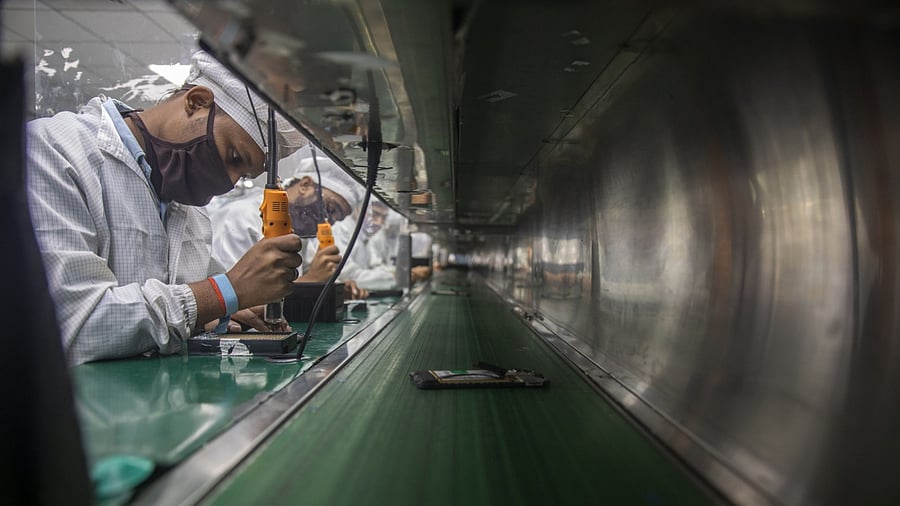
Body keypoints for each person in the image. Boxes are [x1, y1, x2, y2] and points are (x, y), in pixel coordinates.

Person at [26, 51, 306, 365]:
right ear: (197, 102)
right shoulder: (54, 151)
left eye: (243, 175)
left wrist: (219, 310)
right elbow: (73, 325)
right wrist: (221, 293)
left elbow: (189, 303)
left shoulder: (191, 212)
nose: (228, 182)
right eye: (235, 158)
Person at [208, 145, 370, 299]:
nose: (329, 222)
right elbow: (231, 300)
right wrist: (312, 281)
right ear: (305, 185)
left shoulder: (296, 232)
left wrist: (332, 288)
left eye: (336, 219)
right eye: (331, 209)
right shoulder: (241, 217)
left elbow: (302, 274)